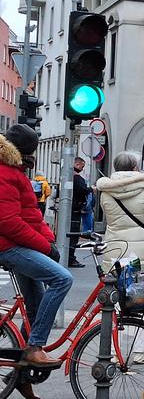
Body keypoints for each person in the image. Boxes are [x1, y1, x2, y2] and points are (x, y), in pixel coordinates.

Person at [0, 124, 72, 373]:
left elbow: (31, 216)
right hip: (8, 246)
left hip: (18, 244)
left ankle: (20, 377)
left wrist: (48, 241)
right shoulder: (5, 173)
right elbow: (7, 222)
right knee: (62, 279)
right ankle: (34, 348)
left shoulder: (15, 171)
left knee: (35, 308)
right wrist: (43, 246)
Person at [96, 151, 144, 364]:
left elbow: (108, 215)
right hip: (140, 251)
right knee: (143, 299)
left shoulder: (106, 191)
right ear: (135, 168)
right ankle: (141, 351)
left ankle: (111, 352)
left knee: (115, 300)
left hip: (116, 249)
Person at [68, 157, 90, 268]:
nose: (82, 168)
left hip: (70, 209)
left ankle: (68, 257)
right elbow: (83, 191)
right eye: (82, 166)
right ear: (77, 164)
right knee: (73, 235)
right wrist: (91, 189)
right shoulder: (77, 178)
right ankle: (71, 258)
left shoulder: (67, 176)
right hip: (75, 209)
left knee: (70, 235)